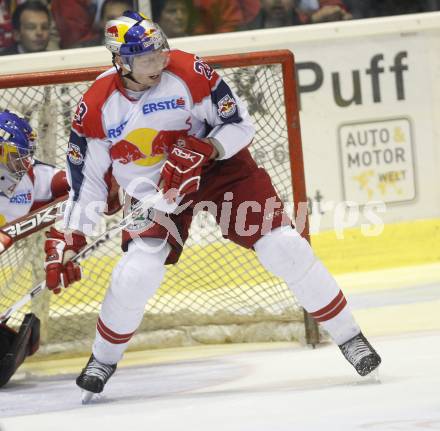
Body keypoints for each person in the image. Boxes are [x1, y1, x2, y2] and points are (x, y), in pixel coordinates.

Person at [42, 10, 381, 402]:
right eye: (146, 58)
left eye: (159, 52)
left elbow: (239, 124)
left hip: (220, 169)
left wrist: (208, 147)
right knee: (137, 270)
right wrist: (70, 236)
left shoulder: (188, 71)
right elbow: (87, 187)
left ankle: (350, 337)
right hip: (154, 189)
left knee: (284, 245)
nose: (158, 63)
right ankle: (102, 360)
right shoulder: (96, 108)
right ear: (120, 61)